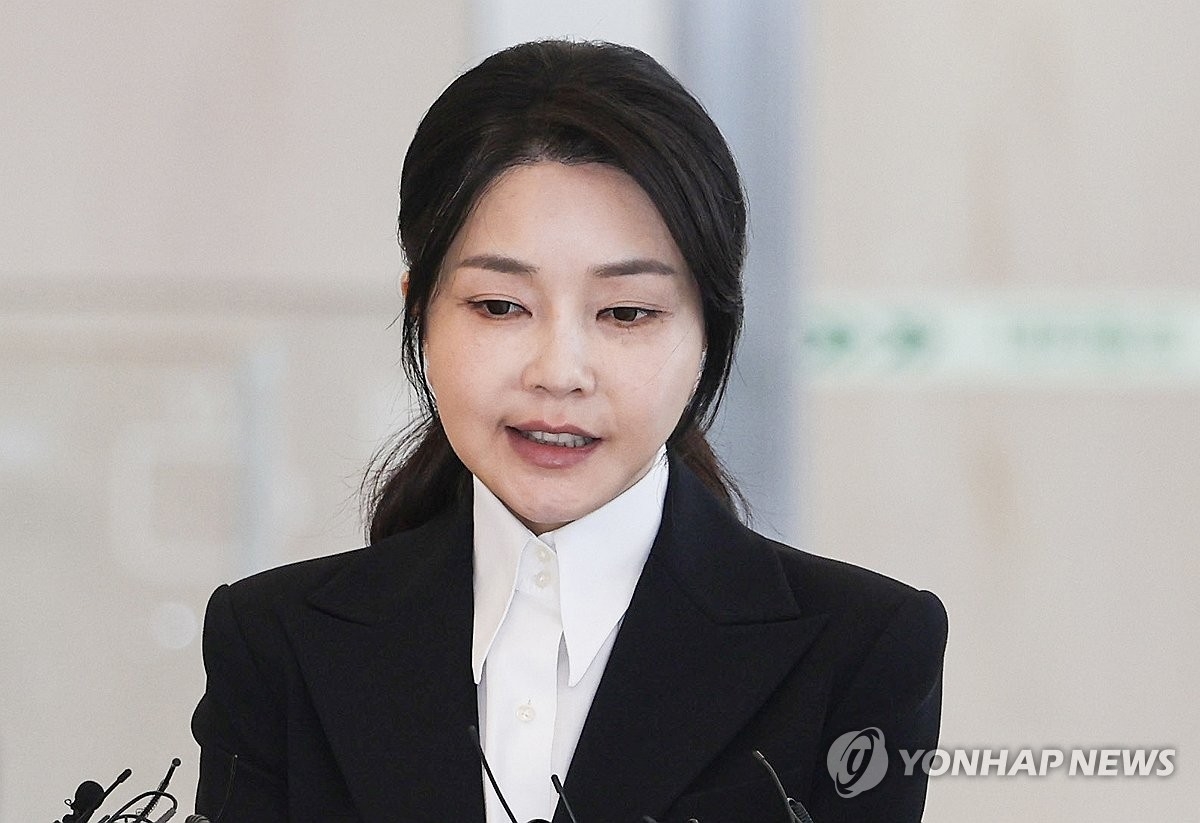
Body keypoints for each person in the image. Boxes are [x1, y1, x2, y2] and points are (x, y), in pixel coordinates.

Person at [191, 39, 947, 823]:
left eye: (626, 312)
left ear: (709, 335)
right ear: (420, 313)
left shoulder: (860, 649)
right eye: (499, 306)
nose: (559, 372)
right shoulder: (274, 642)